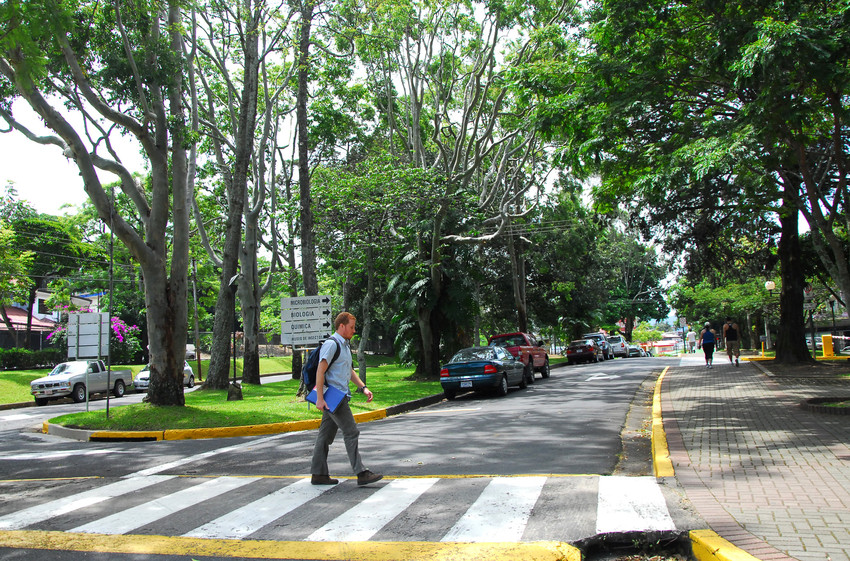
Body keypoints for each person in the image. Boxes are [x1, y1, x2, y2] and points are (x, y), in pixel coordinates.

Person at [311, 312, 383, 486]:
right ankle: (361, 473)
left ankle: (318, 474)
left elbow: (349, 371)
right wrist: (320, 399)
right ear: (341, 326)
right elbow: (320, 371)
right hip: (334, 397)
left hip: (338, 396)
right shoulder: (331, 344)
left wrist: (363, 387)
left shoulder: (344, 346)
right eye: (351, 327)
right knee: (351, 432)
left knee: (325, 436)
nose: (354, 330)